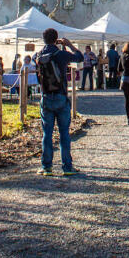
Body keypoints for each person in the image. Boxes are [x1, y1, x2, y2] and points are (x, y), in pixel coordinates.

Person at [35, 28, 84, 176]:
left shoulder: (38, 55)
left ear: (43, 39)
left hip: (46, 96)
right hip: (61, 96)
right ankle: (67, 167)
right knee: (64, 133)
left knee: (47, 133)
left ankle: (46, 166)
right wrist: (69, 44)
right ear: (56, 39)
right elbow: (80, 57)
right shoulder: (61, 54)